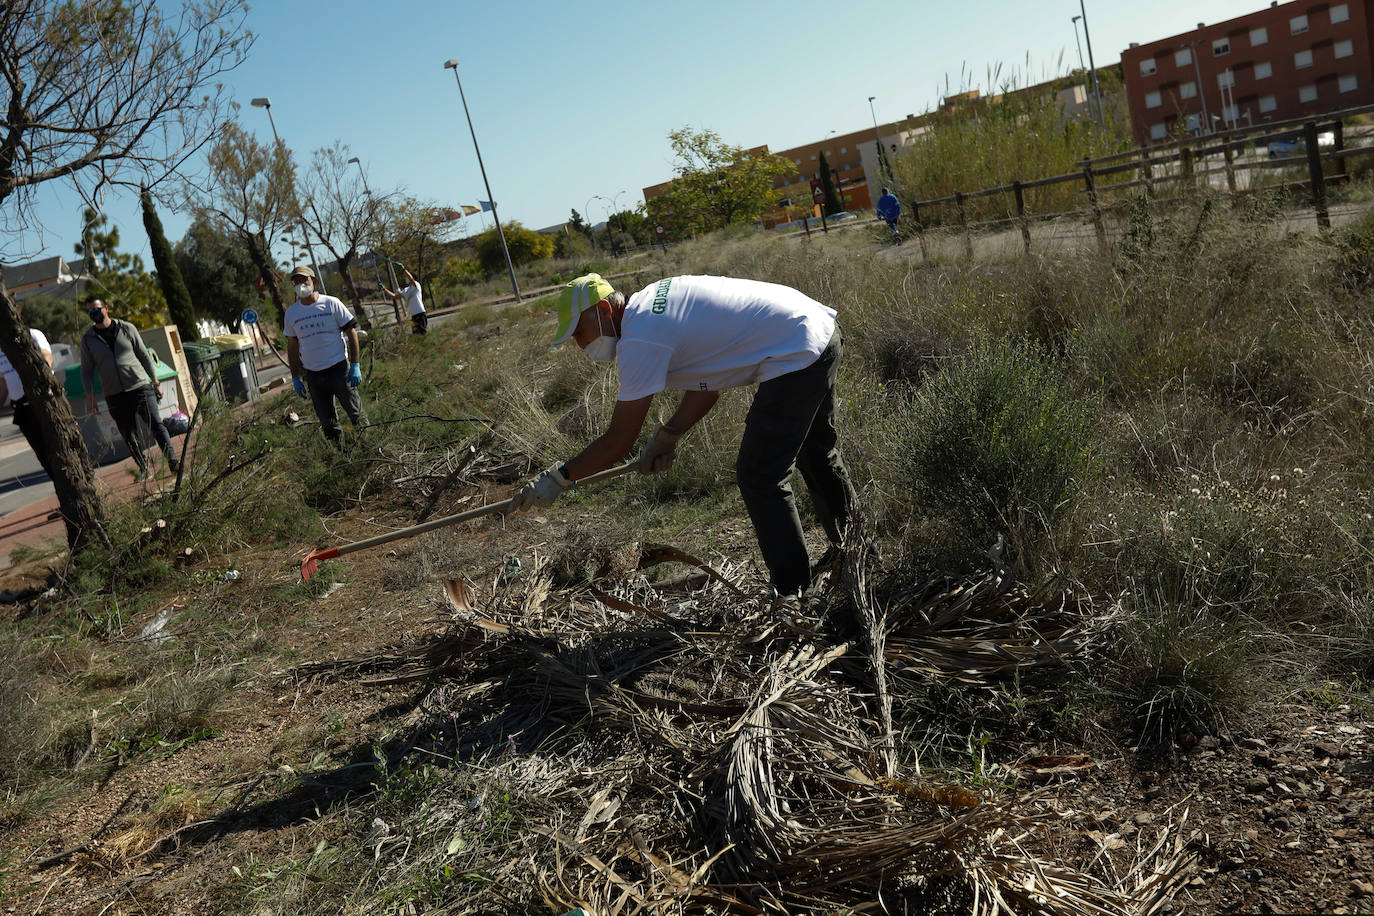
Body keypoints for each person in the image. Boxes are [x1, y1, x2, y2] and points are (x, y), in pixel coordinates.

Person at [509, 273, 857, 598]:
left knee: (760, 475)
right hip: (816, 330)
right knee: (817, 455)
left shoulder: (639, 337)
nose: (579, 343)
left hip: (797, 350)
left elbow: (619, 439)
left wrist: (559, 478)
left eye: (577, 332)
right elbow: (708, 387)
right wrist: (669, 435)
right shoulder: (650, 304)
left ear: (603, 309)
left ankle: (792, 595)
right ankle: (857, 557)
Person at [79, 295, 179, 478]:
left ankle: (173, 462)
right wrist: (91, 398)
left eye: (97, 309)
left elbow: (143, 355)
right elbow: (86, 372)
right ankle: (144, 469)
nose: (94, 314)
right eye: (90, 311)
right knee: (128, 434)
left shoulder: (126, 328)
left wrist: (155, 382)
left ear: (106, 308)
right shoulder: (88, 340)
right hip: (114, 394)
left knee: (156, 424)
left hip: (139, 387)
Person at [284, 264, 365, 445]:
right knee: (328, 424)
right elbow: (292, 346)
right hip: (314, 375)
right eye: (296, 282)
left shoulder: (331, 303)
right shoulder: (291, 314)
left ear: (314, 282)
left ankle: (371, 448)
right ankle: (342, 459)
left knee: (356, 414)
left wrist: (355, 365)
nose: (300, 285)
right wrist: (295, 377)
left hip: (338, 369)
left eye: (304, 280)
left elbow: (351, 332)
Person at [0, 313, 56, 479]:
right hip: (21, 409)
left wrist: (42, 379)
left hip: (42, 401)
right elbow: (3, 384)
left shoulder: (32, 335)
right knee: (43, 456)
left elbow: (47, 356)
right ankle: (63, 493)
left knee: (58, 447)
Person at [382, 267, 427, 334]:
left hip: (420, 314)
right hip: (413, 316)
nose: (406, 279)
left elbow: (411, 278)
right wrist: (384, 289)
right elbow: (394, 296)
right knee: (416, 335)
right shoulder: (406, 290)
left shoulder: (416, 286)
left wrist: (404, 269)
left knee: (422, 333)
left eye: (407, 277)